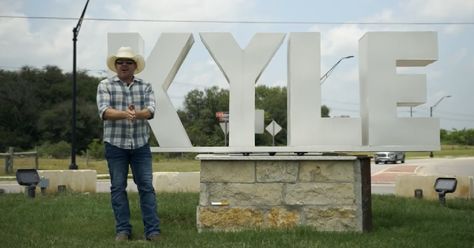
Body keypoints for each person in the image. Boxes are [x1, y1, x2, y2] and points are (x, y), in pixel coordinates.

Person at [96, 46, 160, 242]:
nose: (124, 65)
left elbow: (150, 110)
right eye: (120, 62)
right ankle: (123, 230)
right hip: (115, 145)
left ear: (135, 66)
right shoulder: (105, 85)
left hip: (140, 145)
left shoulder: (145, 85)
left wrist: (135, 114)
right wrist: (128, 114)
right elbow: (105, 112)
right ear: (115, 65)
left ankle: (153, 231)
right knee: (117, 187)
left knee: (146, 187)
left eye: (128, 62)